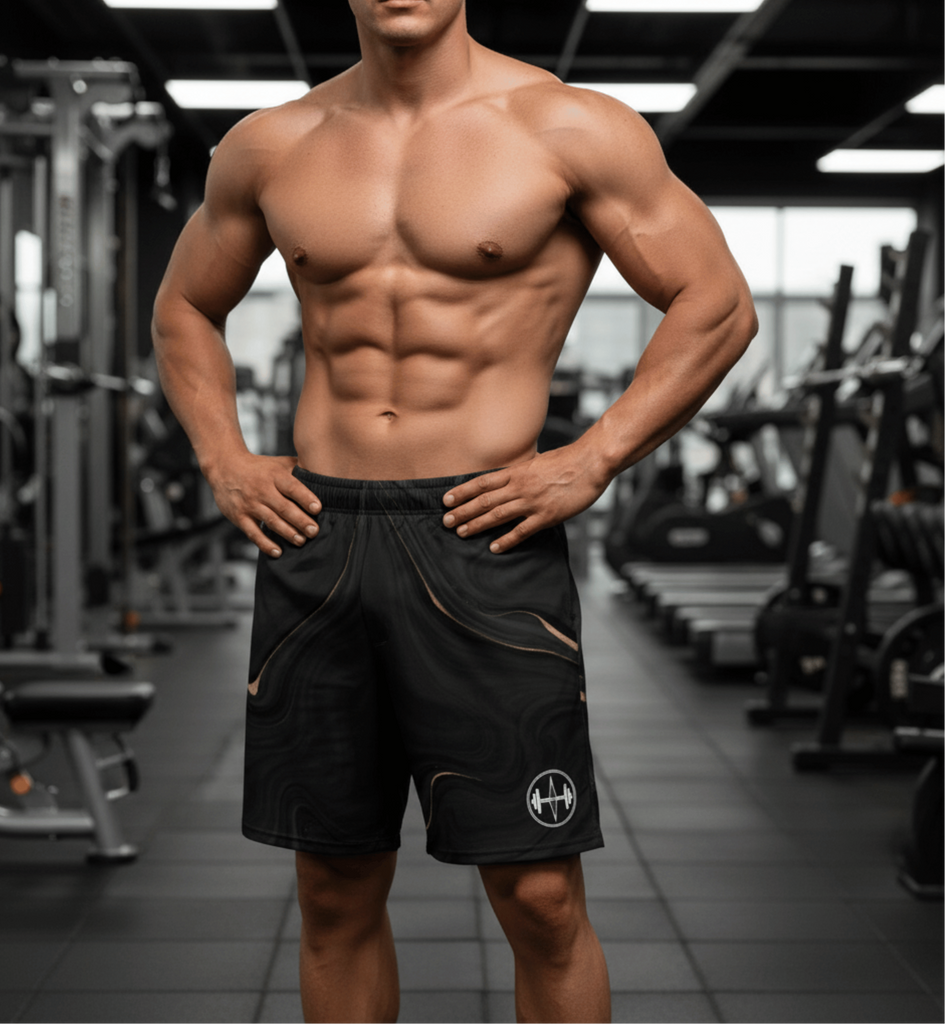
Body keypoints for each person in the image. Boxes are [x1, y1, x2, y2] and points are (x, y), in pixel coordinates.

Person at [152, 0, 757, 1020]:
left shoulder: (565, 127)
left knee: (538, 893)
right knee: (332, 887)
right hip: (318, 538)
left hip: (482, 536)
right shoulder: (270, 144)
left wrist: (592, 457)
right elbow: (182, 307)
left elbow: (718, 302)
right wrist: (222, 457)